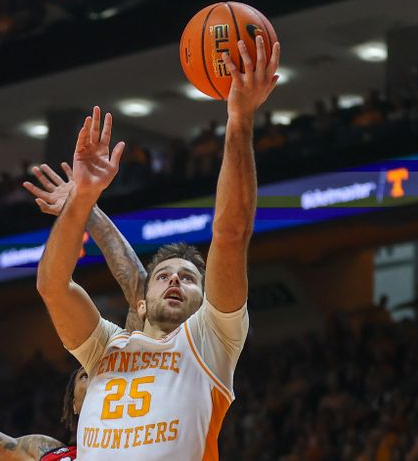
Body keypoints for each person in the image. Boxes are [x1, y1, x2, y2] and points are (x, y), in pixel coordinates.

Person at [36, 35, 280, 458]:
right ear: (141, 304)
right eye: (164, 275)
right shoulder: (103, 348)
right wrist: (82, 200)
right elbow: (53, 286)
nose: (175, 281)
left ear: (206, 301)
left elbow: (230, 233)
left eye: (189, 279)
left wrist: (239, 118)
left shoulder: (211, 340)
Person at [0, 164, 148, 460]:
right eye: (85, 375)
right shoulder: (41, 452)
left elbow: (141, 297)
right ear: (74, 403)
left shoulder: (148, 434)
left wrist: (88, 208)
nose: (96, 373)